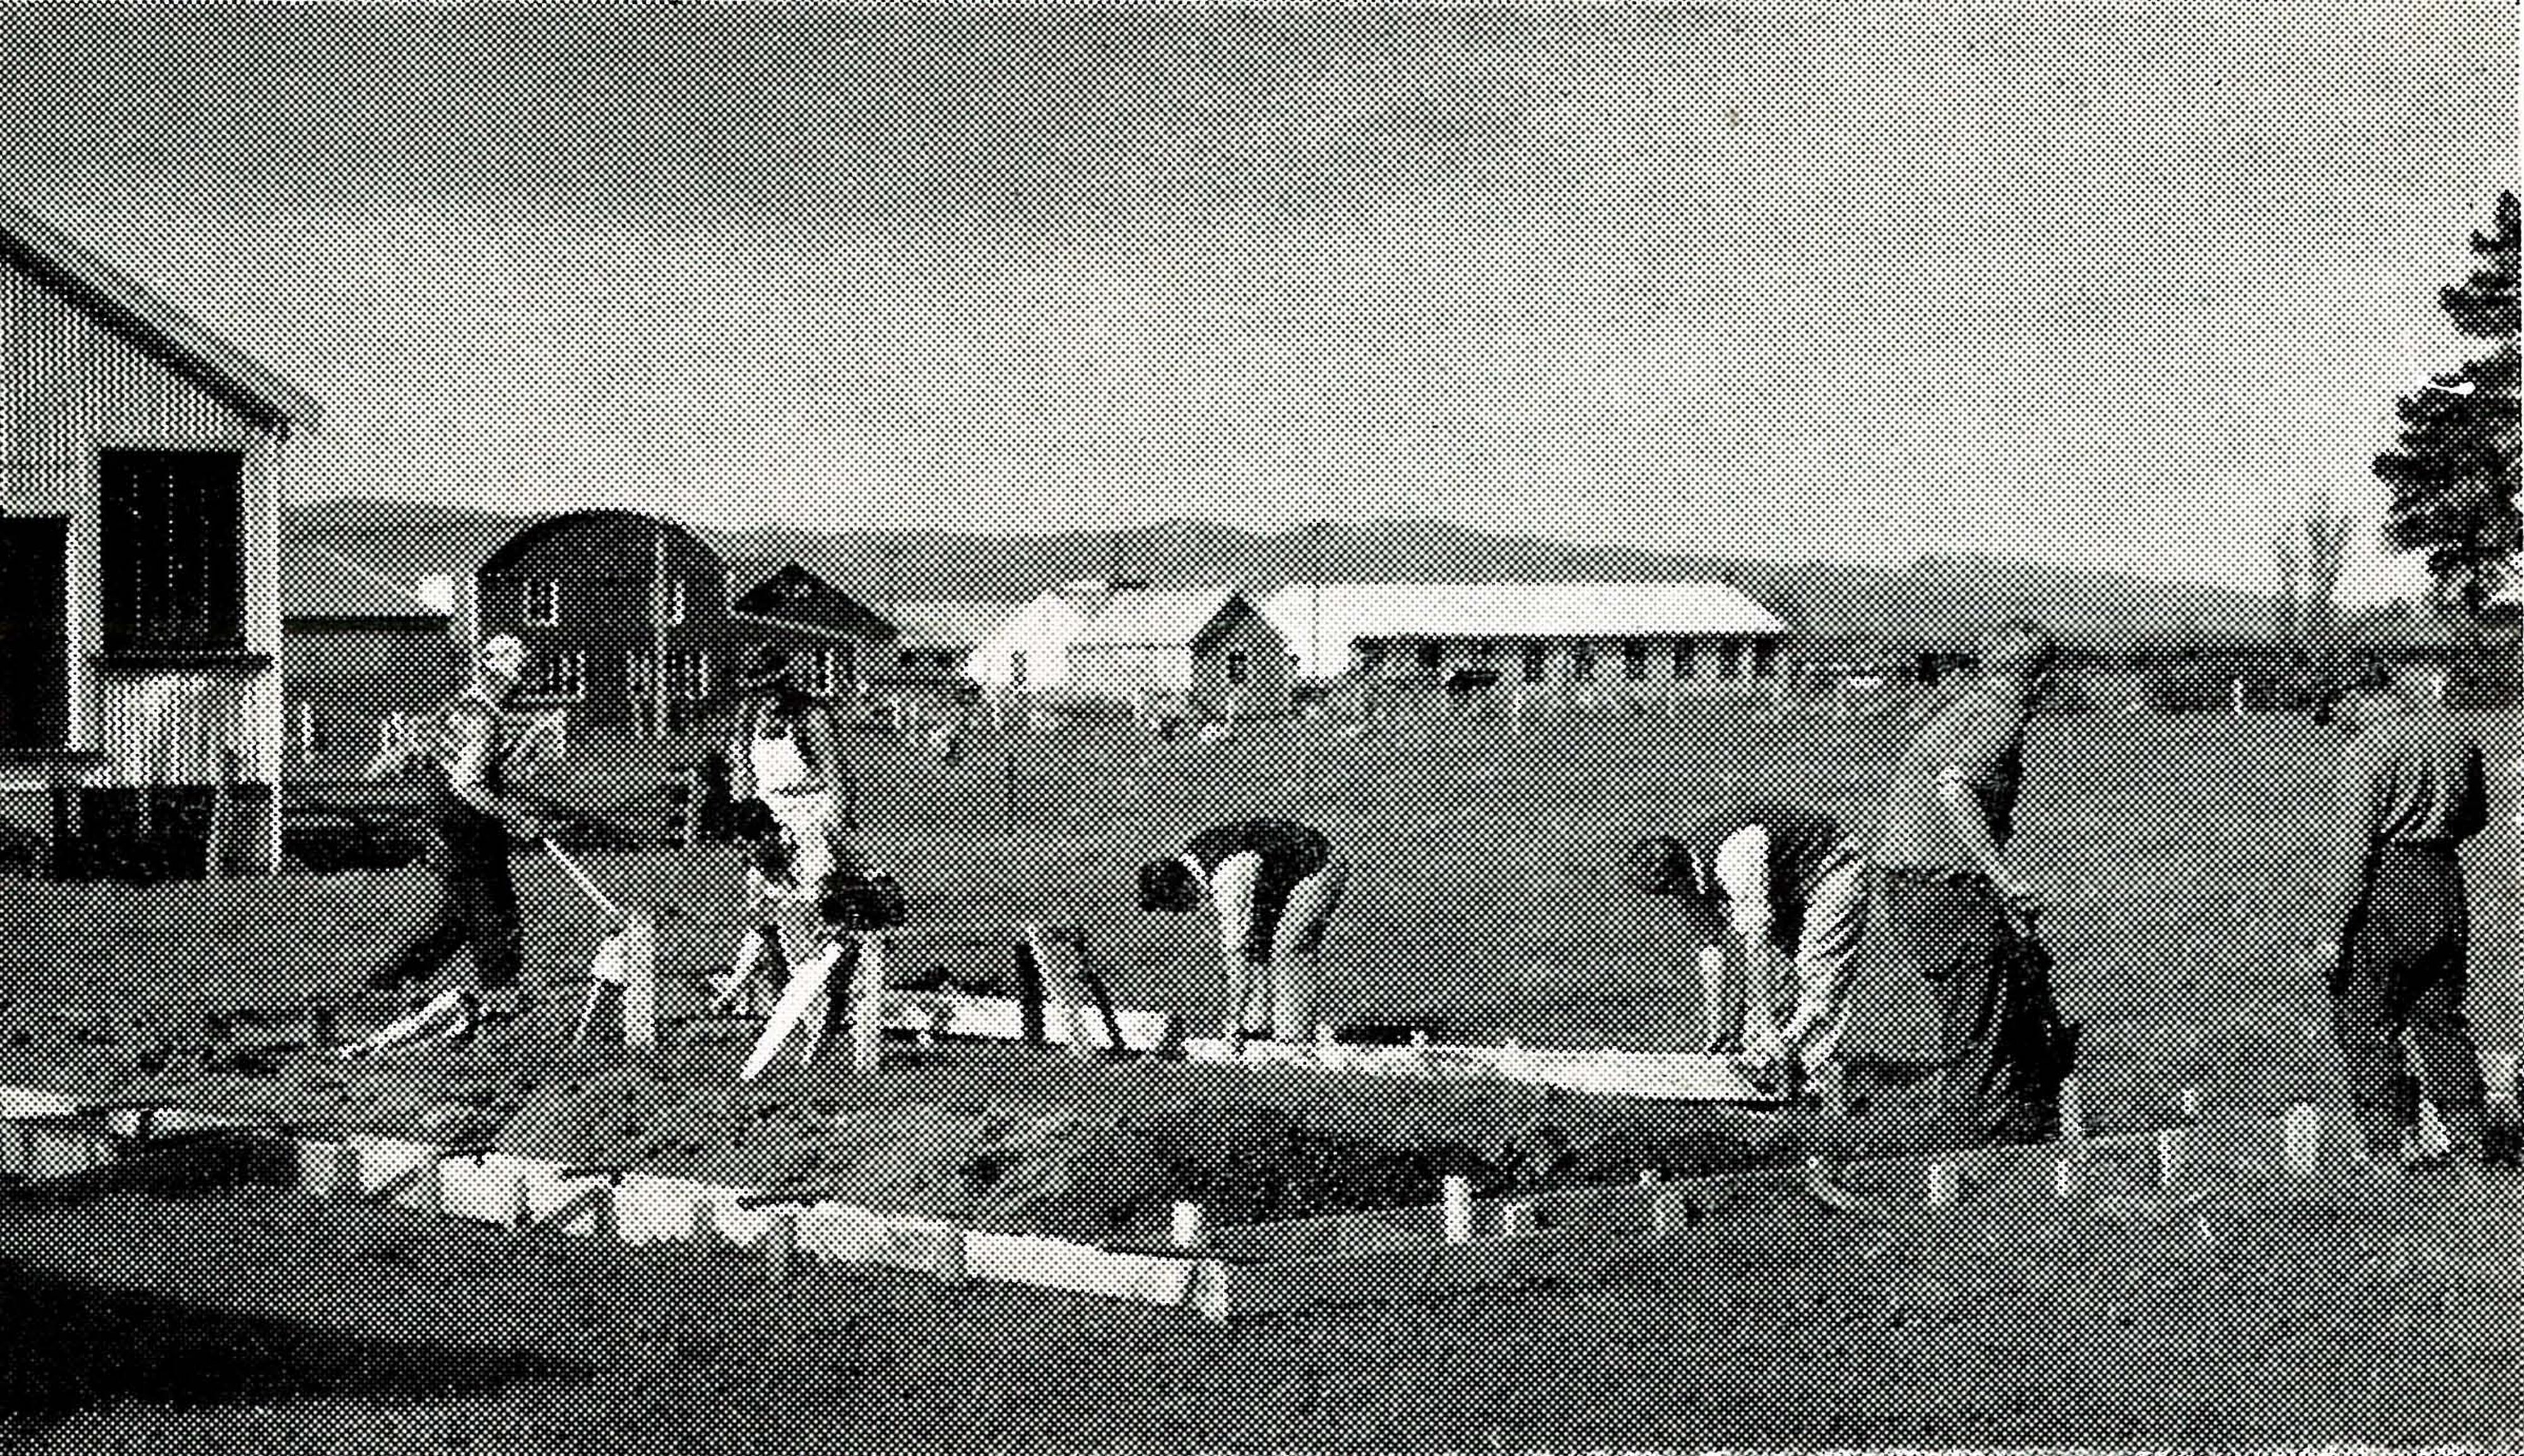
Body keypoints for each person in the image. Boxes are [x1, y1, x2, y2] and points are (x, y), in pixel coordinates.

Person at [1869, 620, 2077, 1145]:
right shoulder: (1999, 717)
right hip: (1939, 884)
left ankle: (2015, 1106)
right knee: (1981, 1006)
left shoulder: (1964, 708)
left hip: (1911, 882)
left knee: (2006, 981)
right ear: (2039, 676)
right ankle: (1974, 1135)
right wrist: (2004, 878)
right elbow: (1954, 787)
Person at [2311, 661, 2502, 1173]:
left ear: (2353, 696)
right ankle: (2472, 1144)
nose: (2338, 726)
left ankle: (2386, 1153)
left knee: (2365, 1022)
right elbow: (2475, 818)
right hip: (2444, 878)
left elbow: (2352, 850)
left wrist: (2331, 933)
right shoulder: (2456, 735)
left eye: (2335, 713)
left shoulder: (2367, 750)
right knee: (2439, 1018)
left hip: (2388, 889)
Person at [355, 634, 560, 1051]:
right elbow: (468, 784)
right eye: (517, 679)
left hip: (447, 831)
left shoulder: (456, 708)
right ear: (505, 675)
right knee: (494, 917)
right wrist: (515, 815)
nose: (518, 688)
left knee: (454, 924)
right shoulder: (484, 717)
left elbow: (422, 762)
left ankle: (384, 989)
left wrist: (508, 763)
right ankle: (502, 1011)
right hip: (469, 834)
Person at [1621, 804, 1868, 1097]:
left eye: (1670, 890)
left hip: (1831, 866)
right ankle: (1773, 1065)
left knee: (1818, 973)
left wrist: (1762, 1017)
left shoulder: (1735, 857)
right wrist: (1718, 1029)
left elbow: (1757, 940)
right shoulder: (1690, 874)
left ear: (1680, 874)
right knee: (1781, 980)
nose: (1673, 898)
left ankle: (1803, 1077)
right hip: (1785, 879)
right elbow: (1712, 948)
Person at [713, 644, 868, 1016]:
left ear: (783, 685)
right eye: (757, 692)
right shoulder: (746, 721)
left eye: (769, 690)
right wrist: (750, 833)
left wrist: (833, 830)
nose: (764, 699)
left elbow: (835, 777)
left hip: (814, 816)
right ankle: (766, 999)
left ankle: (827, 999)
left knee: (816, 910)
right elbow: (742, 783)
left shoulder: (810, 717)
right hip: (770, 820)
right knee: (761, 913)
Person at [1138, 820, 1351, 1055]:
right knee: (1259, 946)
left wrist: (1231, 1025)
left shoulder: (1228, 879)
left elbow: (1237, 963)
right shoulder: (1195, 858)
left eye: (1174, 905)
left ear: (1183, 886)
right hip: (1282, 875)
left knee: (1289, 947)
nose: (1178, 912)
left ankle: (1296, 1046)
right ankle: (1259, 1031)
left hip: (1318, 864)